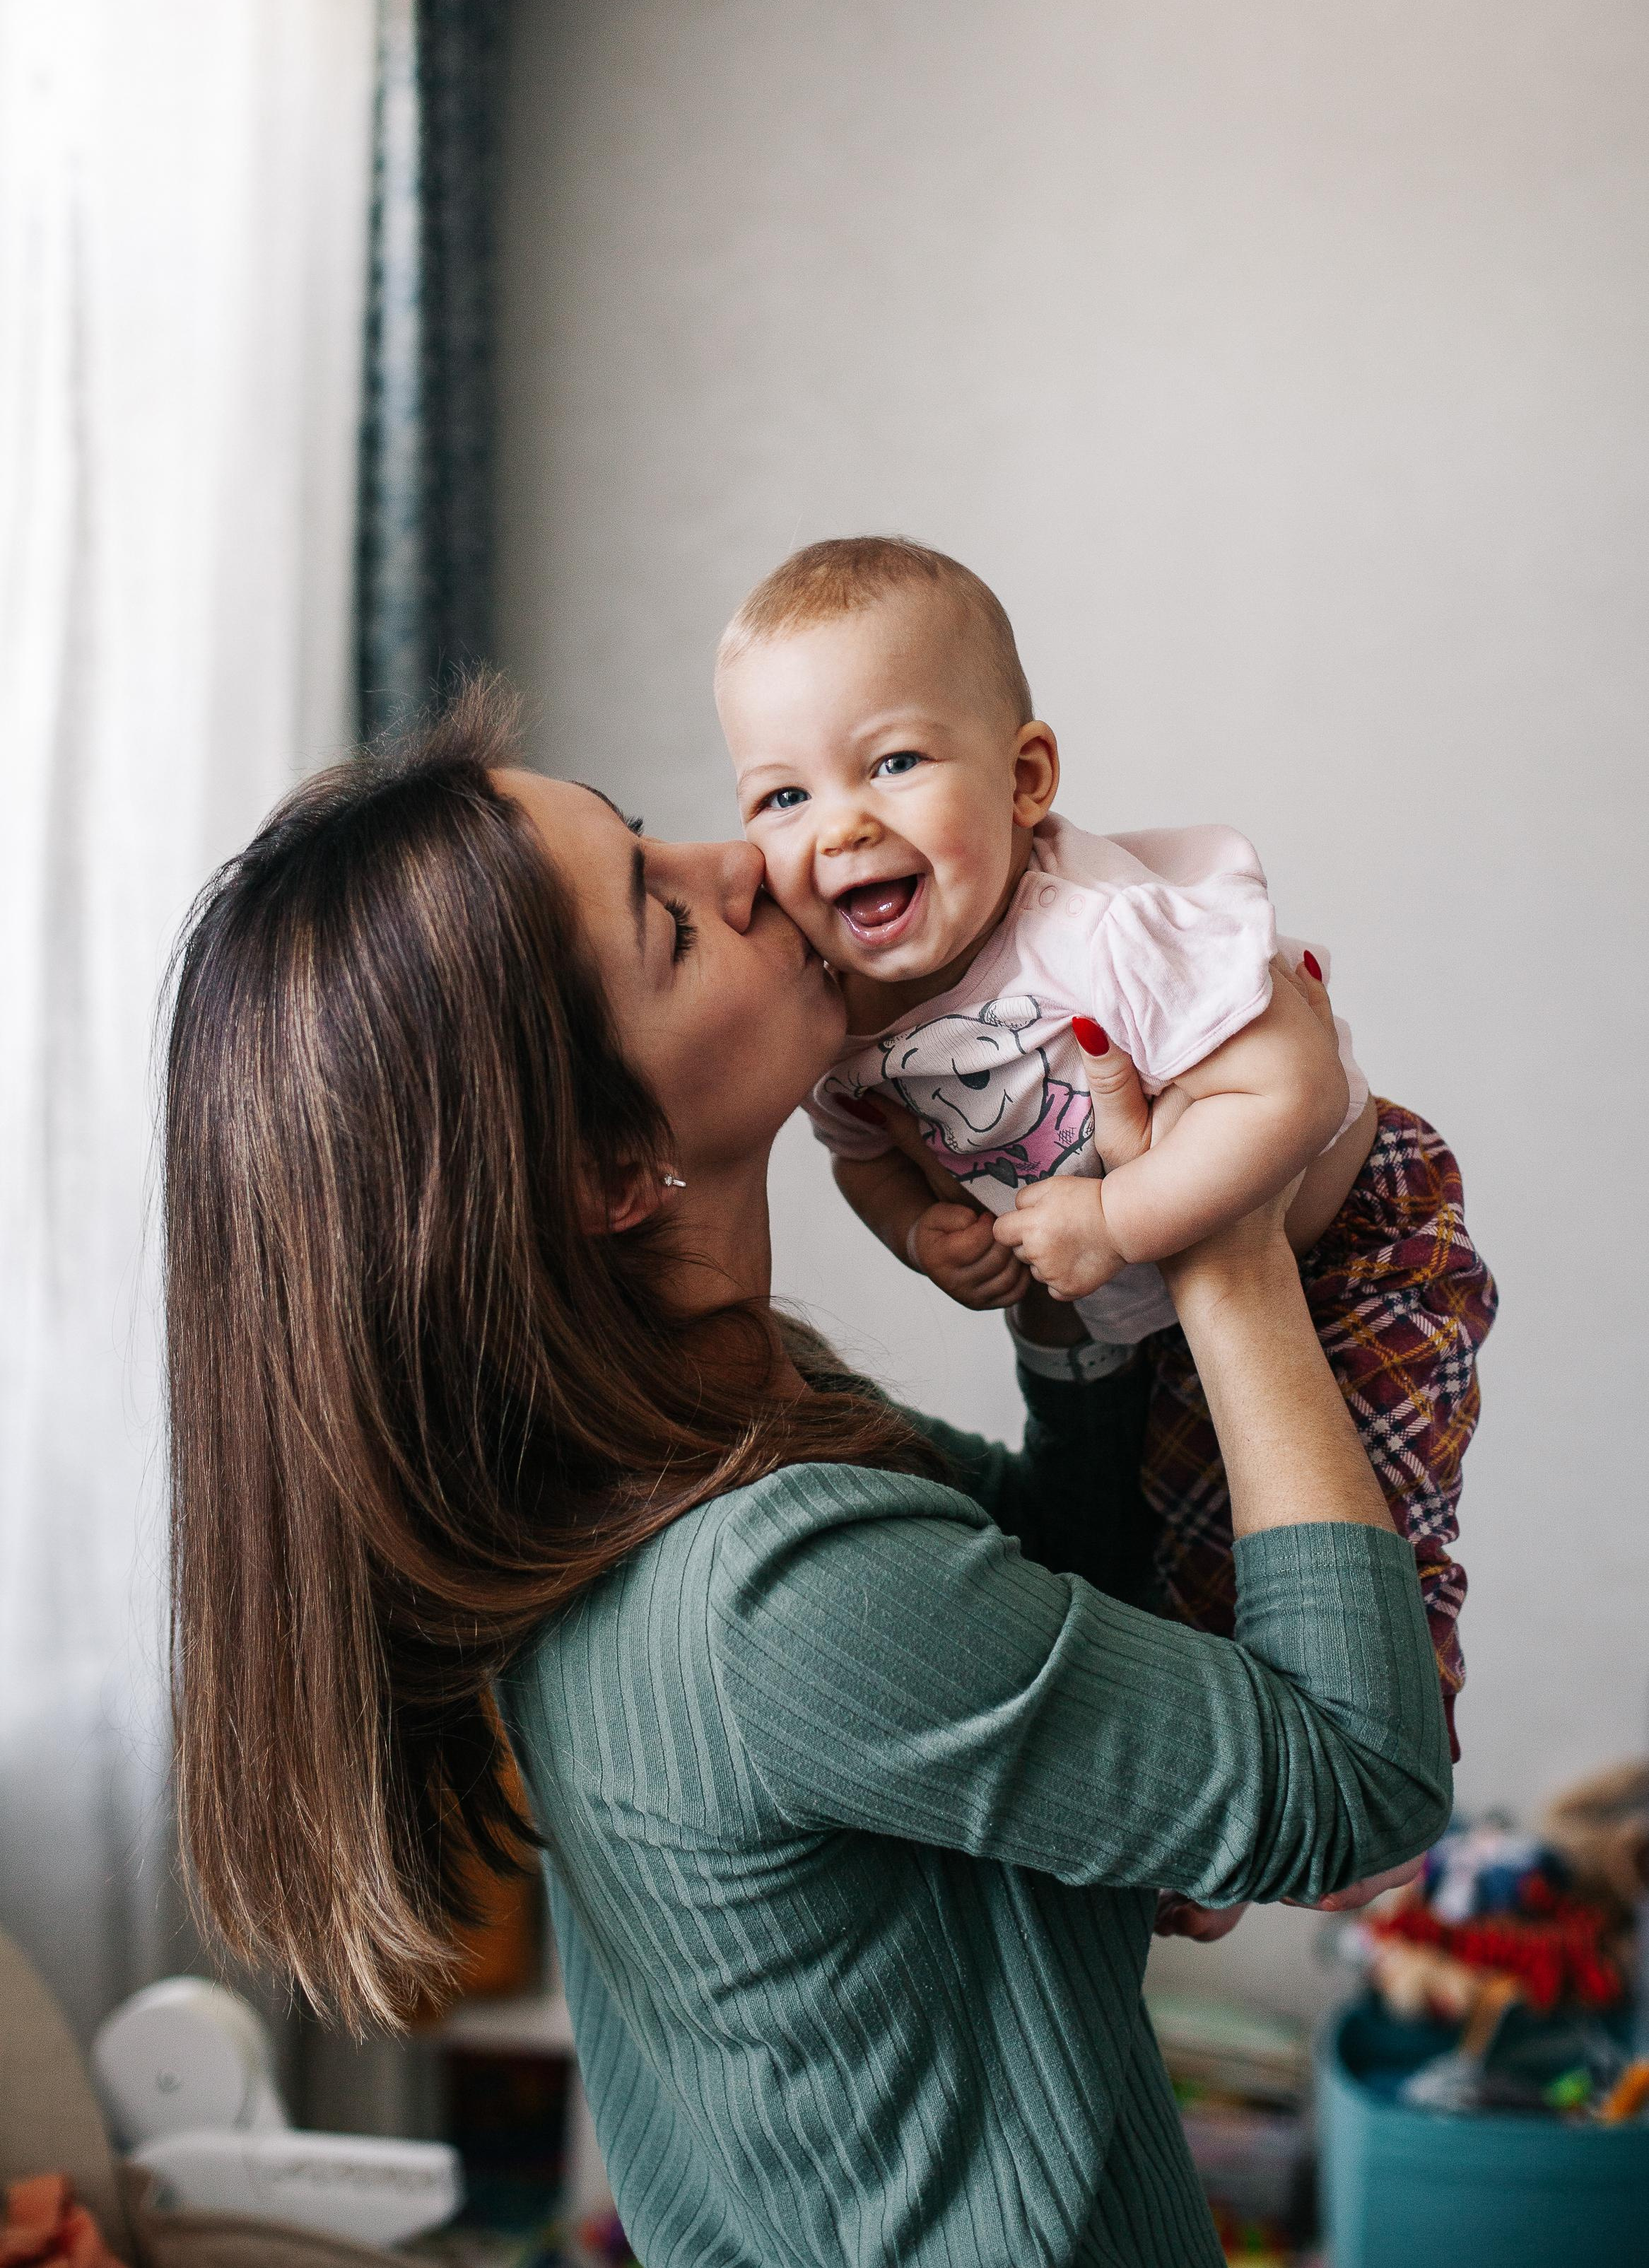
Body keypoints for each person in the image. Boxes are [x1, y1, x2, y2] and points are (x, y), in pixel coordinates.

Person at [164, 685, 1451, 2268]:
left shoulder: (679, 1434)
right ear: (607, 1171)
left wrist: (1073, 1300)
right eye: (665, 921)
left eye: (650, 837)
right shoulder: (769, 1591)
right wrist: (1227, 1252)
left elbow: (1050, 1594)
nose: (747, 863)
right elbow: (1363, 1788)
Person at [716, 535, 1497, 1755]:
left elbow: (1290, 1086)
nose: (841, 826)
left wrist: (1116, 1221)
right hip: (1158, 1322)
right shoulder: (843, 1017)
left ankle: (1397, 1759)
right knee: (1196, 1572)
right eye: (783, 797)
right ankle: (1269, 1805)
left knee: (1367, 1526)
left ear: (1024, 777)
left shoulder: (1099, 932)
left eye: (895, 763)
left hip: (1351, 1252)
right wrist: (921, 1233)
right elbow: (861, 1152)